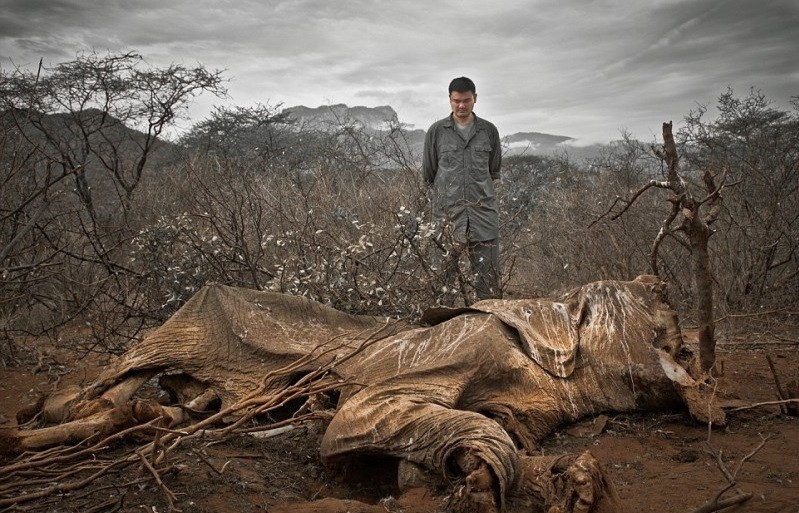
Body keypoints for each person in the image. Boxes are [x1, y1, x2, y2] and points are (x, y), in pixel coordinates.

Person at [422, 76, 502, 303]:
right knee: (442, 284)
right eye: (456, 101)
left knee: (488, 283)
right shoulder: (436, 132)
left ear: (475, 98)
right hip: (447, 218)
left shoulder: (489, 131)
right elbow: (429, 175)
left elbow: (493, 172)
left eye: (466, 100)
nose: (461, 106)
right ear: (449, 100)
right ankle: (441, 329)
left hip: (483, 217)